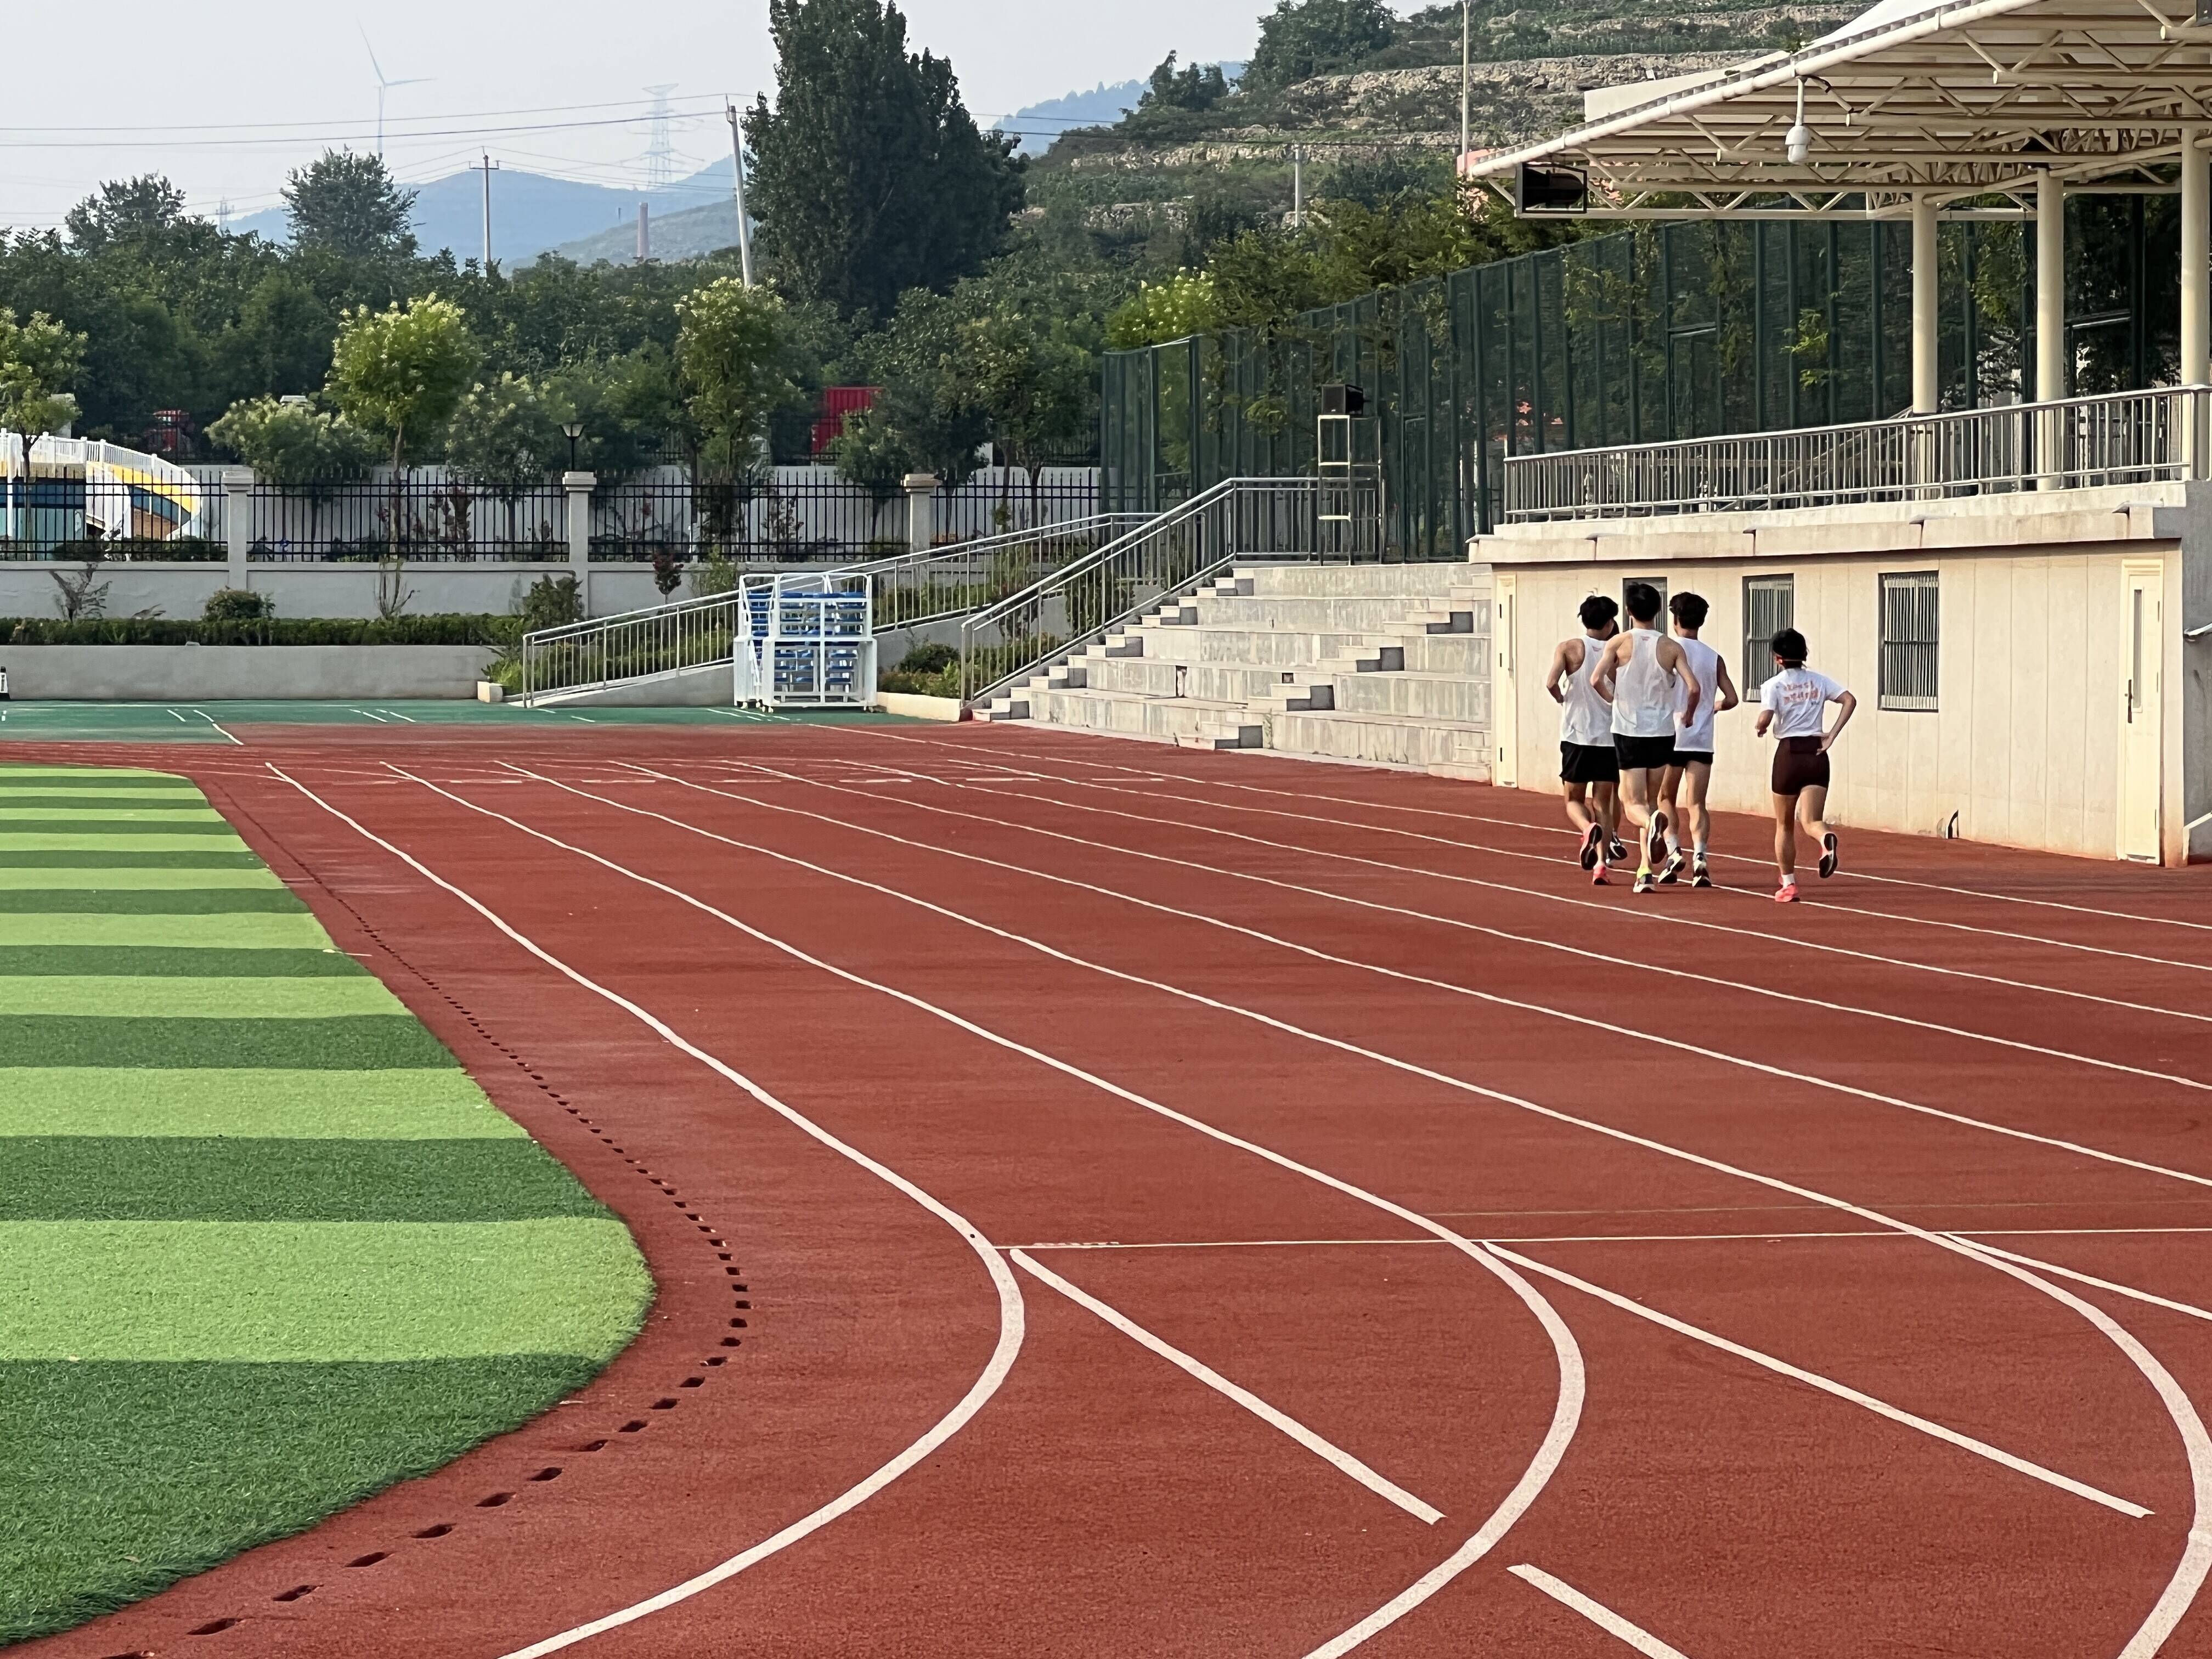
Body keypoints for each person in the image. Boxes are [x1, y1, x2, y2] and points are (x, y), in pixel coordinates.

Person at [1593, 582, 1699, 895]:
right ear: (1657, 611)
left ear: (1628, 611)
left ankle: (1654, 824)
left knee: (1633, 806)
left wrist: (1614, 699)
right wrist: (1689, 714)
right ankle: (1644, 873)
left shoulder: (1619, 643)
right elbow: (1693, 687)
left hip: (1629, 732)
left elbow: (1596, 679)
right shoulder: (1671, 646)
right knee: (1652, 801)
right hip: (1663, 733)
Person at [1753, 627, 1857, 904]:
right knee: (1812, 821)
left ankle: (1788, 884)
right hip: (1816, 752)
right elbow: (1849, 700)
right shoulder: (1819, 681)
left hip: (1789, 754)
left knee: (1784, 825)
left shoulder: (1773, 685)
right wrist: (1832, 734)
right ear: (1804, 654)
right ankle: (1825, 840)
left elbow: (1766, 716)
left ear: (1778, 658)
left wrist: (1761, 727)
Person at [1658, 590, 1739, 888]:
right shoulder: (1713, 657)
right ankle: (1701, 858)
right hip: (1702, 739)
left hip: (1670, 736)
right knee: (1697, 803)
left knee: (1665, 797)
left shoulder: (1665, 649)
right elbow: (1732, 698)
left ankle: (1673, 851)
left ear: (1675, 619)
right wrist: (1713, 707)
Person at [1545, 594, 1623, 884]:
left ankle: (1586, 827)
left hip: (1576, 737)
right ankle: (1601, 865)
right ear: (1610, 622)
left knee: (1573, 800)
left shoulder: (1568, 648)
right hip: (1608, 738)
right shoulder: (1618, 653)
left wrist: (1562, 699)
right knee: (1604, 802)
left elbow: (1551, 682)